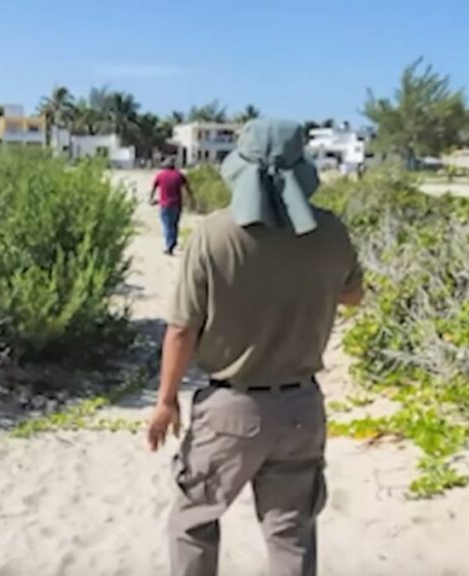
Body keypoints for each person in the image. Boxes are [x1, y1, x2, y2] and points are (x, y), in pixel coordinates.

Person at [146, 118, 365, 576]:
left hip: (231, 406)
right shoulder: (330, 233)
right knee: (291, 534)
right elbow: (352, 295)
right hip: (302, 407)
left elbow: (182, 329)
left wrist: (166, 401)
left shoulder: (215, 234)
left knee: (194, 522)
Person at [150, 158, 192, 255]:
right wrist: (191, 199)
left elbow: (154, 187)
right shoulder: (179, 175)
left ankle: (169, 246)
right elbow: (187, 188)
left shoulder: (160, 175)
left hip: (165, 204)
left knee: (167, 225)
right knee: (174, 225)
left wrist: (151, 198)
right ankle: (173, 243)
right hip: (177, 204)